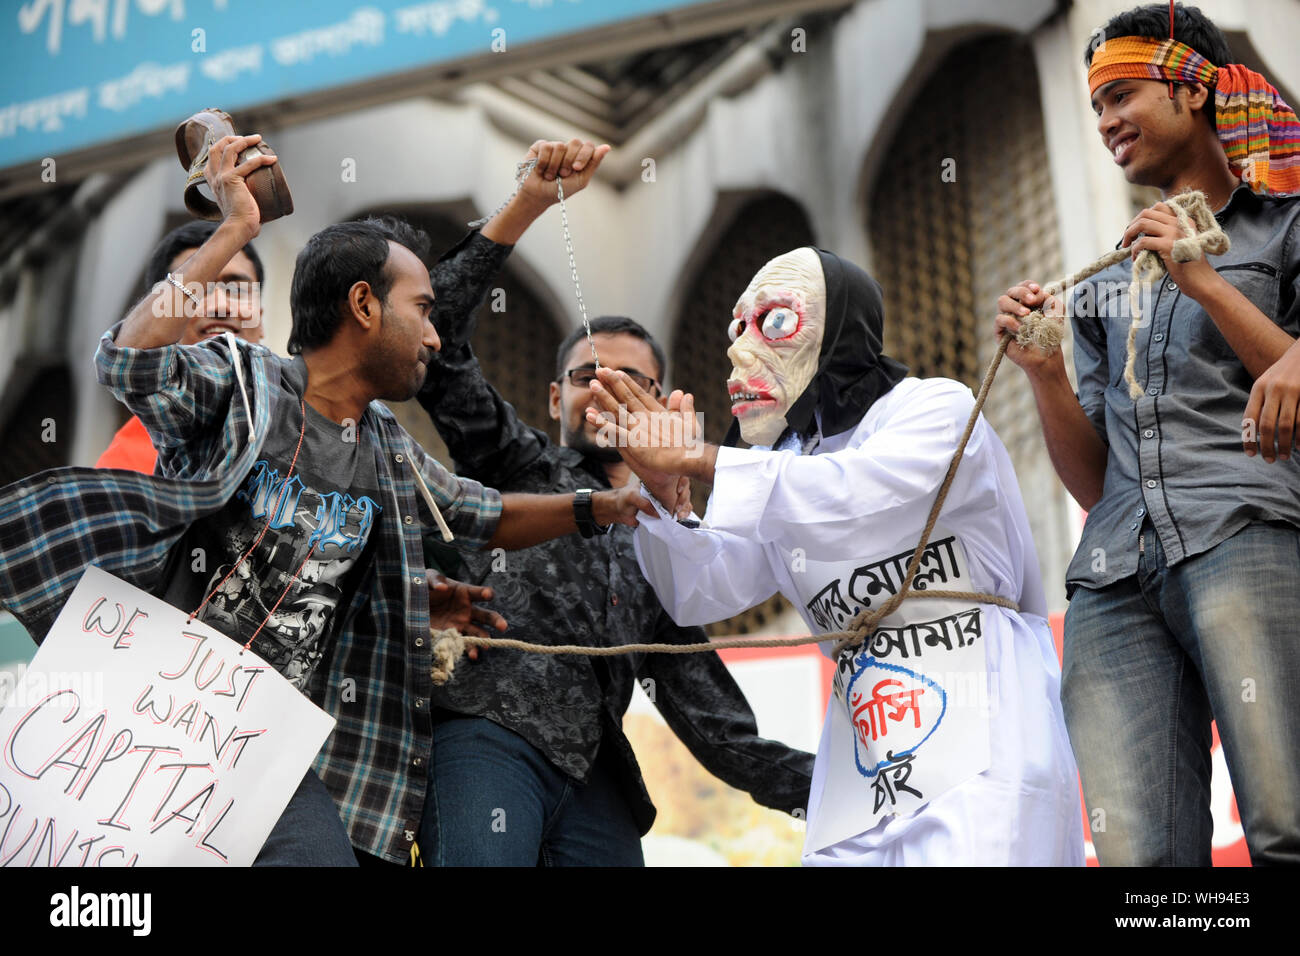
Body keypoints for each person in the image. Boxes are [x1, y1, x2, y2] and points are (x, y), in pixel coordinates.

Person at [0, 132, 650, 865]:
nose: (436, 337)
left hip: (262, 747)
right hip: (135, 715)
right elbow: (127, 360)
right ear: (365, 305)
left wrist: (604, 507)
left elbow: (486, 513)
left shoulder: (390, 449)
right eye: (424, 309)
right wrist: (237, 227)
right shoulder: (243, 382)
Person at [588, 247, 1083, 865]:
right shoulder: (784, 466)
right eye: (737, 328)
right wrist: (667, 501)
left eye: (774, 322)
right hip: (862, 748)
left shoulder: (933, 407)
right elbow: (701, 591)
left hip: (984, 713)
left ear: (842, 330)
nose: (740, 350)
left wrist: (698, 459)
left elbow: (856, 492)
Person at [994, 2, 1300, 864]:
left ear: (1195, 89)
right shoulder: (1105, 285)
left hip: (1247, 539)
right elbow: (1096, 486)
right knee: (1140, 861)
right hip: (1112, 581)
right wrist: (1046, 373)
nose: (1106, 124)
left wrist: (1202, 281)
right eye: (1095, 107)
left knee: (1285, 827)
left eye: (1122, 95)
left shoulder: (1288, 226)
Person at [416, 309, 814, 865]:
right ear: (556, 399)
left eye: (633, 380)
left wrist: (841, 787)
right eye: (587, 377)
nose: (607, 389)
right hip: (485, 740)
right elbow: (445, 330)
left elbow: (719, 730)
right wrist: (522, 216)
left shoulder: (668, 547)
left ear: (661, 402)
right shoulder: (507, 462)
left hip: (599, 781)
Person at [96, 220, 266, 473]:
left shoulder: (304, 413)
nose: (220, 305)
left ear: (260, 316)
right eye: (197, 291)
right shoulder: (127, 463)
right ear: (161, 320)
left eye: (237, 289)